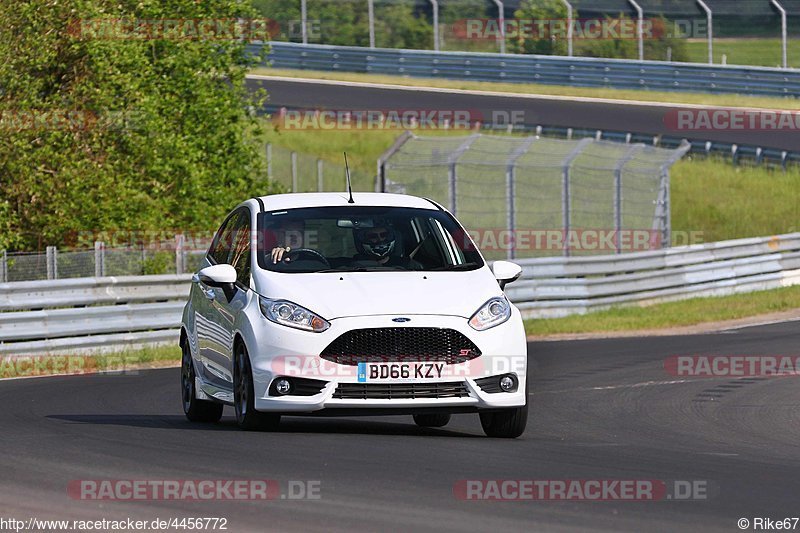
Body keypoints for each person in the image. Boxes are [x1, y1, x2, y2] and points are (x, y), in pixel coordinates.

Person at [353, 223, 422, 270]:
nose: (380, 240)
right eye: (373, 236)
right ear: (364, 239)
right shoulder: (351, 266)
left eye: (383, 235)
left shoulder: (408, 265)